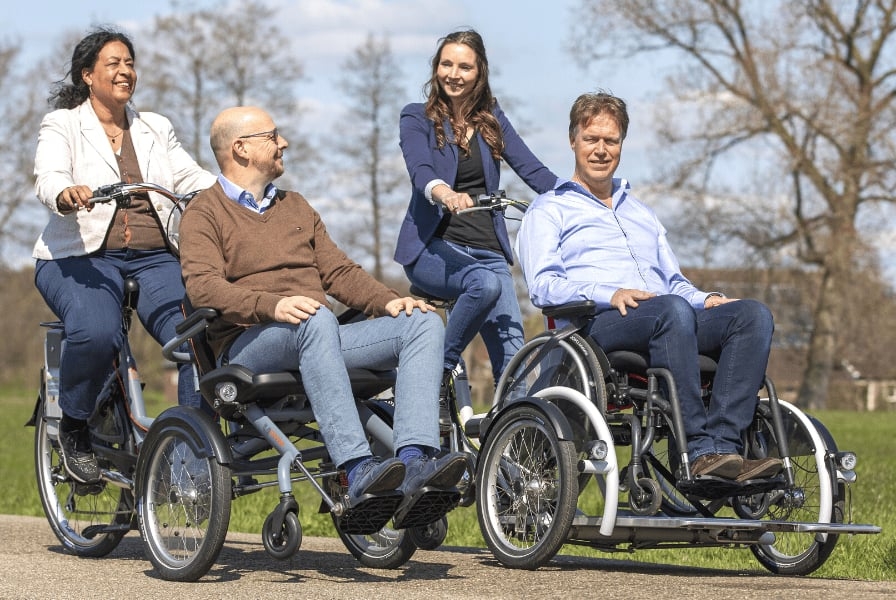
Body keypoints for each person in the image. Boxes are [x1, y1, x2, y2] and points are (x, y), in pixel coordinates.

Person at [178, 106, 466, 529]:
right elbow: (204, 287)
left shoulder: (296, 207)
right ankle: (355, 470)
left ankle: (415, 462)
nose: (284, 143)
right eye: (272, 136)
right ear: (240, 148)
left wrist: (389, 302)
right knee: (315, 318)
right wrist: (270, 305)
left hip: (317, 333)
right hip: (251, 345)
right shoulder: (204, 213)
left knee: (422, 322)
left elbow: (338, 272)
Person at [516, 91, 783, 482]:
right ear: (573, 140)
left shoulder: (641, 212)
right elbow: (543, 286)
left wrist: (707, 300)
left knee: (752, 315)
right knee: (671, 311)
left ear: (622, 144)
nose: (601, 150)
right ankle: (697, 452)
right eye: (592, 139)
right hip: (599, 325)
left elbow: (674, 282)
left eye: (611, 140)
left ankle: (725, 448)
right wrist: (610, 294)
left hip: (666, 316)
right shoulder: (550, 209)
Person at [32, 28, 217, 485]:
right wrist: (66, 192)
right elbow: (48, 174)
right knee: (94, 332)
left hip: (155, 258)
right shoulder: (64, 125)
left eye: (129, 63)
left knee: (198, 337)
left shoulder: (156, 127)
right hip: (78, 258)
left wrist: (239, 194)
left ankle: (190, 457)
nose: (125, 71)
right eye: (113, 63)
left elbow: (192, 176)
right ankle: (74, 425)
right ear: (87, 75)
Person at [395, 29, 559, 413]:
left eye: (464, 66)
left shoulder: (492, 121)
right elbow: (420, 169)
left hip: (489, 250)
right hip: (435, 249)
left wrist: (583, 198)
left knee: (514, 360)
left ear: (479, 72)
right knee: (482, 284)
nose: (454, 73)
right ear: (436, 68)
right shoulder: (416, 118)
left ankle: (516, 453)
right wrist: (444, 192)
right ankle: (436, 369)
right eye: (446, 64)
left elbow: (534, 171)